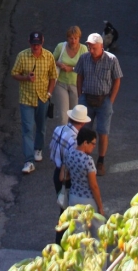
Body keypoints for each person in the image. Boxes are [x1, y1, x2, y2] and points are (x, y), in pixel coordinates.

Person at [75, 32, 122, 175]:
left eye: (94, 48)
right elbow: (79, 76)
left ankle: (101, 161)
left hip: (104, 100)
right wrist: (80, 96)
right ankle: (84, 160)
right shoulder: (84, 58)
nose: (91, 50)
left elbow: (117, 79)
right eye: (89, 47)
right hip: (87, 98)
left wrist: (111, 100)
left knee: (103, 131)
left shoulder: (111, 59)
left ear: (101, 46)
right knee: (84, 131)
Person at [11, 30, 57, 174]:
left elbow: (53, 77)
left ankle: (38, 149)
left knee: (41, 127)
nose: (35, 47)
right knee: (27, 129)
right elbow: (14, 73)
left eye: (38, 44)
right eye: (33, 44)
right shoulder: (22, 56)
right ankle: (28, 161)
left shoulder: (48, 56)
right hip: (26, 98)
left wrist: (49, 93)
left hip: (42, 97)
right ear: (29, 43)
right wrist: (26, 78)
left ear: (42, 42)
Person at [49, 103, 90, 241]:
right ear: (82, 123)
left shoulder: (58, 129)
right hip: (67, 178)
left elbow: (52, 148)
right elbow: (73, 164)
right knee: (69, 213)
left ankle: (61, 242)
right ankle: (62, 243)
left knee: (63, 210)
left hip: (57, 173)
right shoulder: (75, 141)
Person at [62, 127, 104, 217]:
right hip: (87, 200)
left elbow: (62, 176)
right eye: (93, 144)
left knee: (77, 229)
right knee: (93, 229)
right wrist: (100, 206)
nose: (94, 147)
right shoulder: (88, 160)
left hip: (73, 197)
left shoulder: (69, 154)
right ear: (85, 143)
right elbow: (93, 186)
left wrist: (75, 176)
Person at [52, 26, 88, 124]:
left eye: (76, 38)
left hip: (76, 85)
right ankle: (63, 137)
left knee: (75, 116)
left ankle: (73, 138)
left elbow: (86, 66)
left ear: (79, 38)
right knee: (63, 117)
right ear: (67, 38)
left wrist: (71, 68)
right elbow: (51, 60)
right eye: (71, 38)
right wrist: (60, 64)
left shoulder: (83, 49)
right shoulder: (61, 47)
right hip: (61, 83)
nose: (73, 41)